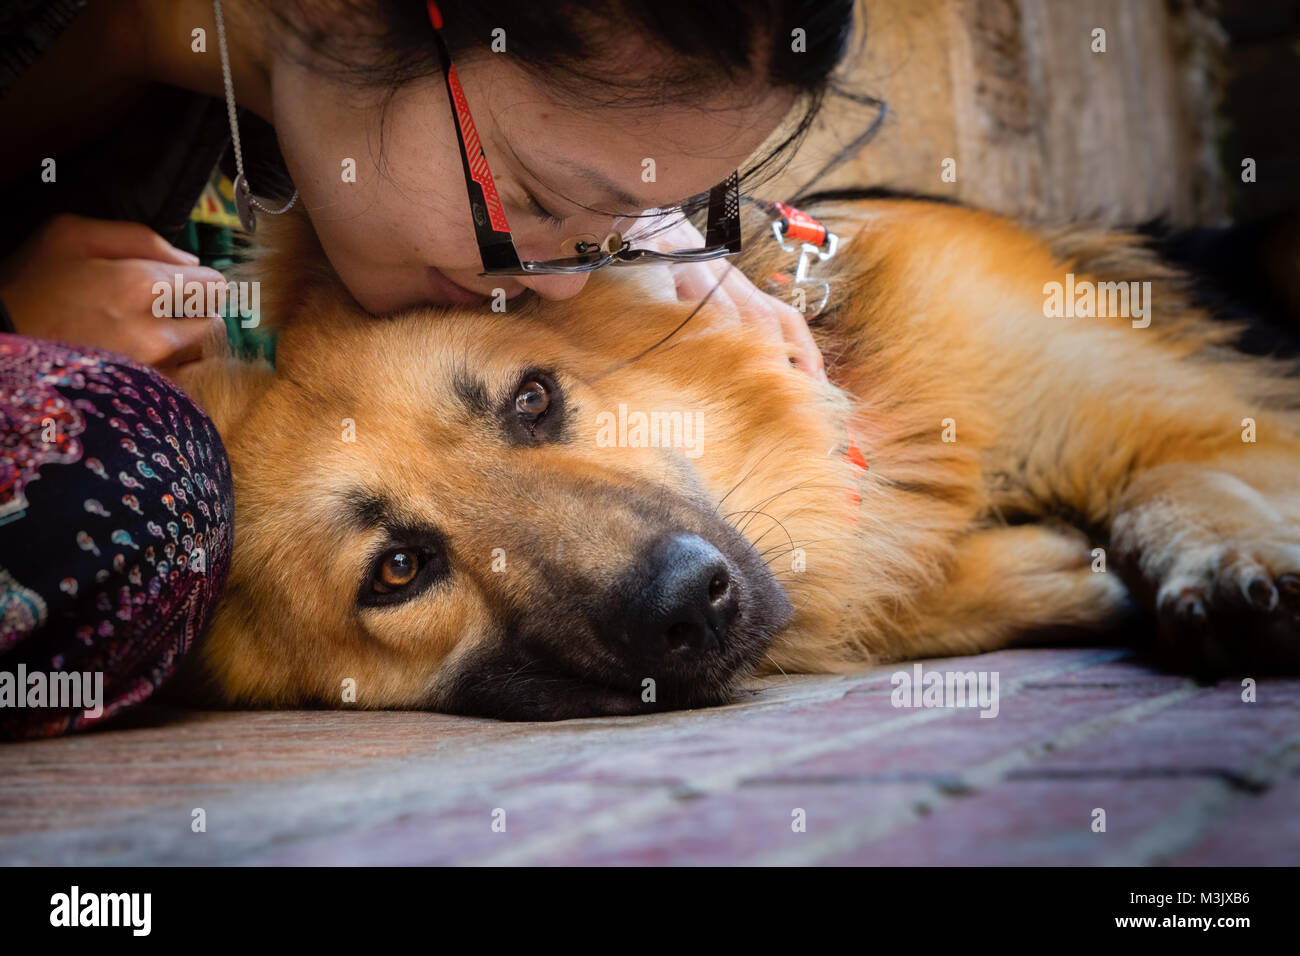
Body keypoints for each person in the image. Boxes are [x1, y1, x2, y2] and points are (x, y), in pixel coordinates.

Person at [0, 0, 856, 735]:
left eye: (622, 221)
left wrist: (629, 234)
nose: (567, 287)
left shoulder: (282, 103)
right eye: (540, 200)